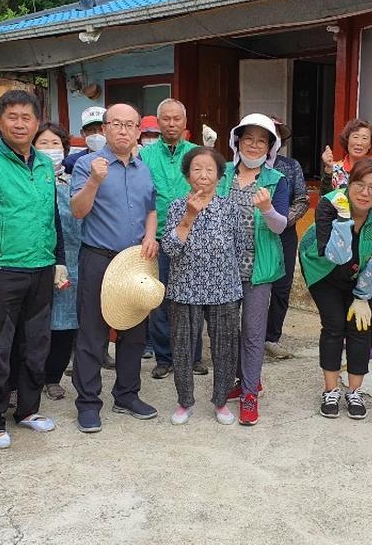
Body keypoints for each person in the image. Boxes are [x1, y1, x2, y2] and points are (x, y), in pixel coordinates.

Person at [0, 90, 65, 449]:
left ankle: (28, 410)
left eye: (27, 117)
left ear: (37, 123)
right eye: (12, 117)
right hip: (3, 267)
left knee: (36, 345)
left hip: (41, 265)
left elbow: (52, 216)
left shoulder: (43, 165)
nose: (20, 123)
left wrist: (60, 260)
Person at [70, 103, 160, 433]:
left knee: (134, 332)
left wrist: (151, 236)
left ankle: (126, 394)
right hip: (98, 257)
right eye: (116, 124)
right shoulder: (86, 165)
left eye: (130, 125)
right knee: (92, 334)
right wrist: (94, 181)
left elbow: (151, 208)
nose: (123, 130)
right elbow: (77, 211)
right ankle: (88, 403)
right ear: (105, 128)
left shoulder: (143, 167)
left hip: (135, 260)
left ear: (139, 131)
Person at [299, 157, 372, 419]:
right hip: (323, 268)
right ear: (349, 183)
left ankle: (354, 392)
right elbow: (334, 255)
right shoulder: (329, 204)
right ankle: (330, 390)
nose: (365, 193)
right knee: (333, 325)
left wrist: (362, 297)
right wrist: (344, 219)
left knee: (360, 326)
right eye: (360, 184)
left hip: (362, 272)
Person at [162, 147, 246, 426]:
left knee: (225, 347)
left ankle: (221, 401)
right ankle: (184, 401)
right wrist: (189, 216)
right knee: (183, 347)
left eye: (210, 169)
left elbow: (241, 247)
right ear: (187, 176)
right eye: (197, 169)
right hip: (185, 288)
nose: (204, 175)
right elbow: (170, 249)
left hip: (224, 289)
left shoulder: (230, 208)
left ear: (220, 176)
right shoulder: (176, 206)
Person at [217, 113, 288, 425]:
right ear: (237, 141)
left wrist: (267, 209)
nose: (255, 145)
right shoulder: (222, 175)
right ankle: (241, 380)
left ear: (271, 147)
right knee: (226, 331)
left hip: (258, 269)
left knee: (253, 333)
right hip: (223, 268)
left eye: (262, 141)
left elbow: (281, 225)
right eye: (249, 139)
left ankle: (249, 395)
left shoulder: (276, 180)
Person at [139, 99, 204, 379]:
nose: (171, 123)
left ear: (185, 122)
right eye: (166, 118)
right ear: (158, 121)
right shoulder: (145, 156)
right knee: (160, 299)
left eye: (177, 118)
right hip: (158, 237)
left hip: (194, 235)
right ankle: (164, 357)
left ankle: (194, 356)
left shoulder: (198, 154)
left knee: (194, 298)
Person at [317, 118, 372, 359]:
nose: (359, 142)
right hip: (340, 235)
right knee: (342, 285)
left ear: (371, 144)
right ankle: (345, 334)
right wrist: (327, 171)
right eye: (355, 137)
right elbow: (326, 199)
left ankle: (369, 338)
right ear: (346, 140)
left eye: (364, 138)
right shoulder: (335, 168)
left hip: (369, 236)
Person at [33, 123, 82, 401]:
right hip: (37, 260)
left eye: (55, 145)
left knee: (65, 324)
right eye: (43, 144)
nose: (50, 150)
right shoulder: (27, 179)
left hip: (71, 260)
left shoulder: (74, 181)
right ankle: (32, 376)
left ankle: (53, 377)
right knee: (37, 325)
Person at [263, 117, 310, 360]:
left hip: (285, 234)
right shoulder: (244, 167)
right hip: (254, 234)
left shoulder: (291, 166)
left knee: (281, 287)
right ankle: (247, 336)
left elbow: (302, 200)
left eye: (276, 134)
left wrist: (281, 220)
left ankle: (272, 337)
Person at [62, 106, 107, 175]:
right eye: (91, 130)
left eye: (101, 130)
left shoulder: (120, 159)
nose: (97, 134)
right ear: (83, 133)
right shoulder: (71, 162)